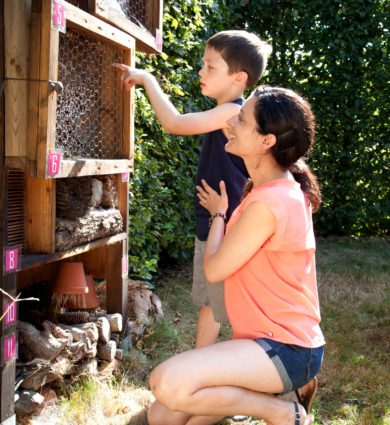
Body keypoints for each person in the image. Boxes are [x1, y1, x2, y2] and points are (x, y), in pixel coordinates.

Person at [146, 86, 325, 425]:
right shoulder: (272, 186)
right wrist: (223, 212)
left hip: (287, 349)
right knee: (162, 417)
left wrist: (217, 216)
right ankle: (269, 393)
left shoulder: (269, 203)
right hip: (262, 343)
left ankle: (284, 412)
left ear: (266, 141)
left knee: (166, 383)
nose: (231, 121)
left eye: (241, 118)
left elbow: (213, 270)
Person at [113, 31, 272, 348]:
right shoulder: (227, 115)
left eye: (211, 67)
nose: (201, 71)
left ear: (239, 78)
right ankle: (214, 359)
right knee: (214, 300)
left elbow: (174, 123)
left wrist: (146, 79)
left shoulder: (231, 113)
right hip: (219, 219)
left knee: (212, 300)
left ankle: (205, 361)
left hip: (223, 222)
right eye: (203, 64)